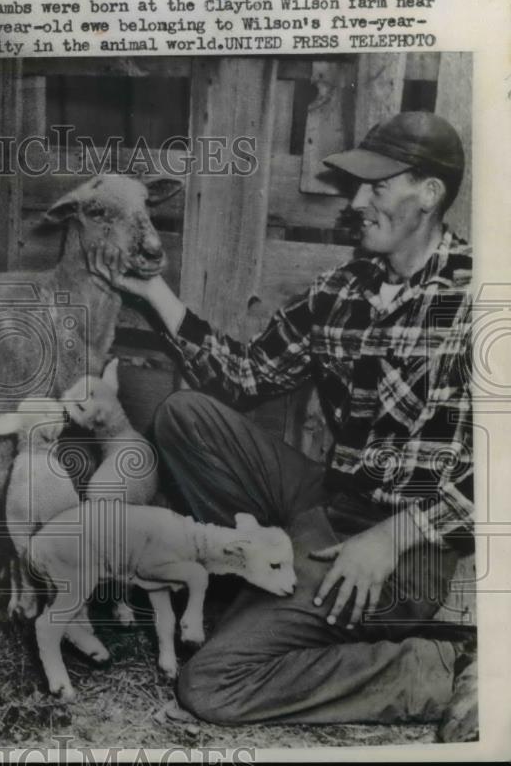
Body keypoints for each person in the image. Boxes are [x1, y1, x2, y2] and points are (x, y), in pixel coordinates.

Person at [88, 112, 476, 738]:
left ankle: (433, 665)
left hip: (408, 550)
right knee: (185, 416)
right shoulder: (343, 290)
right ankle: (256, 580)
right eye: (359, 187)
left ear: (429, 194)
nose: (357, 202)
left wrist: (393, 537)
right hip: (326, 502)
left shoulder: (483, 297)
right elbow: (245, 376)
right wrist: (152, 292)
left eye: (377, 188)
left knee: (212, 684)